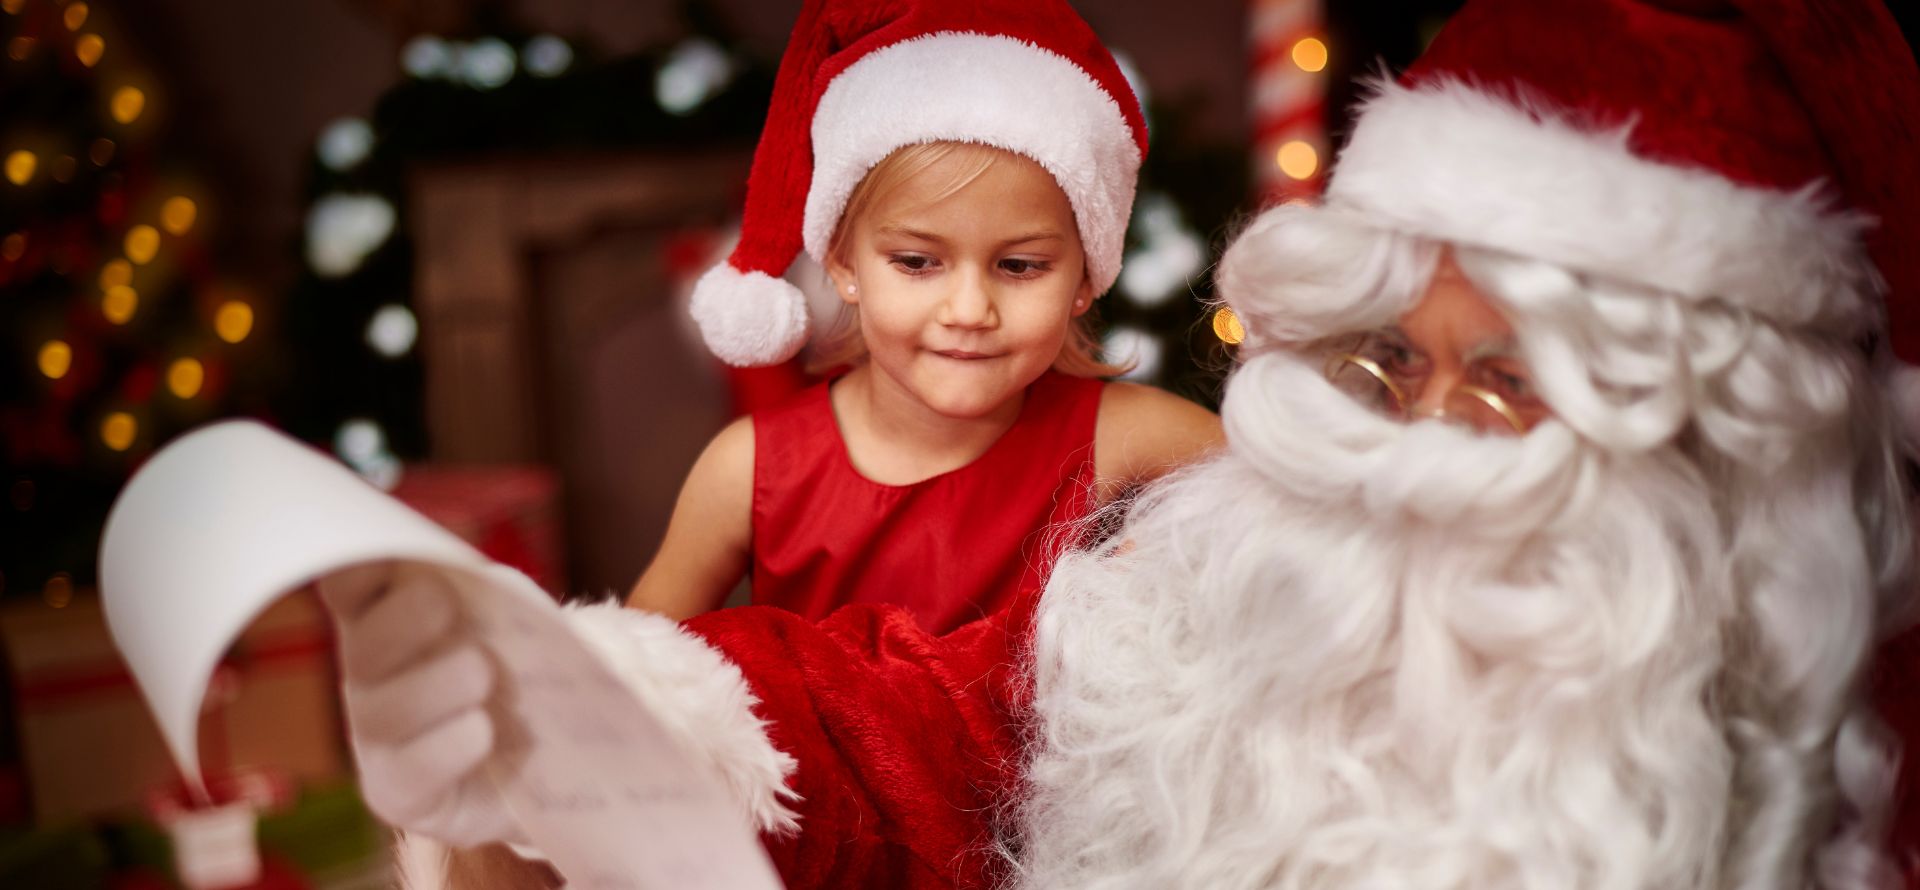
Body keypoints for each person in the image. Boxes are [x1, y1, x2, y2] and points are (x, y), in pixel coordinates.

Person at [332, 0, 1920, 886]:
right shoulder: (1270, 568)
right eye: (1380, 362)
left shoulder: (1825, 739)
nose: (1424, 437)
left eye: (1509, 383)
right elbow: (957, 727)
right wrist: (623, 719)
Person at [626, 0, 1223, 630]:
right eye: (916, 262)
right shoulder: (748, 470)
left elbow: (1310, 509)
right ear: (844, 264)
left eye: (1020, 267)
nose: (968, 311)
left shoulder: (1128, 437)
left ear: (1085, 279)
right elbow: (632, 671)